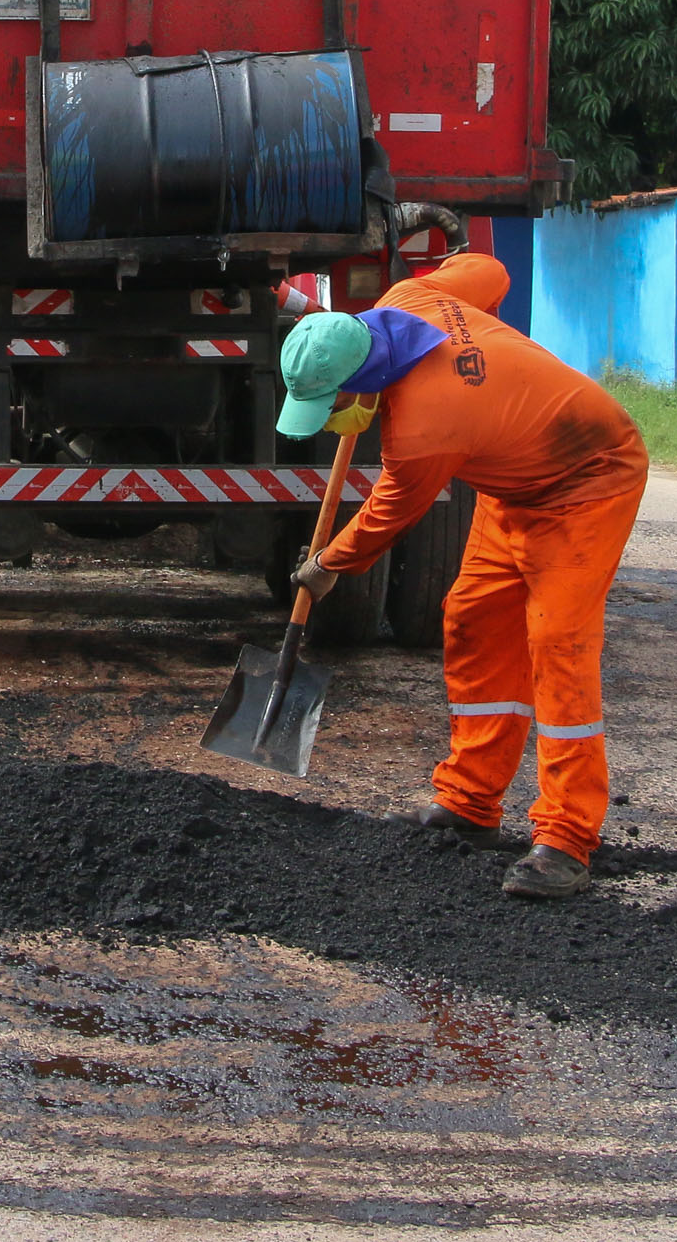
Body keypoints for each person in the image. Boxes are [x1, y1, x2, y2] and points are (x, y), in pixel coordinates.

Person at [277, 252, 649, 900]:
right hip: (515, 486)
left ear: (361, 377)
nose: (331, 416)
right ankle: (472, 803)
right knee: (472, 619)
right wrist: (480, 332)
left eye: (329, 403)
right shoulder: (410, 295)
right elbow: (489, 271)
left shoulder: (425, 428)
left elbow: (387, 516)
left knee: (558, 643)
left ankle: (566, 840)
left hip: (592, 476)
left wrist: (326, 566)